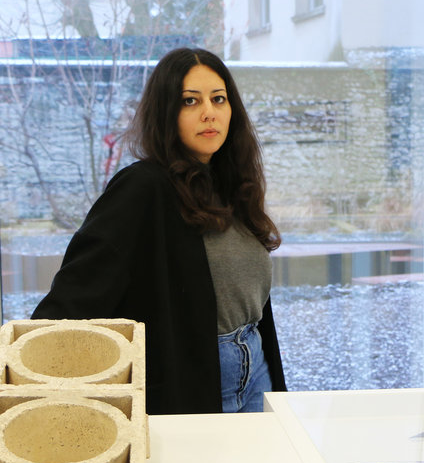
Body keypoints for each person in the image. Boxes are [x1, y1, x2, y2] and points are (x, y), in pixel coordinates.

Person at [32, 47, 286, 414]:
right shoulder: (142, 187)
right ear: (167, 112)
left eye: (219, 99)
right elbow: (78, 291)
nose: (209, 112)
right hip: (196, 378)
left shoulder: (232, 184)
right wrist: (34, 366)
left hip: (256, 367)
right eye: (189, 101)